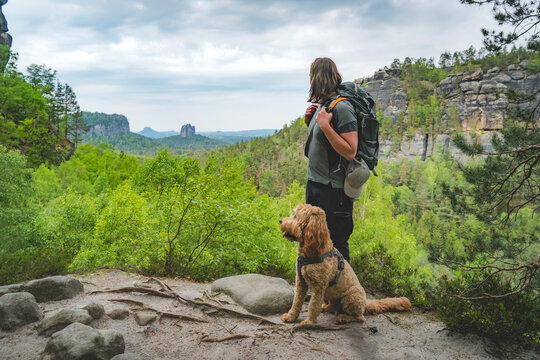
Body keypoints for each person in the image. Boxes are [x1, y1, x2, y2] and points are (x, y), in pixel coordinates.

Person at [304, 57, 358, 262]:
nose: (310, 80)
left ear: (318, 78)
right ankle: (318, 291)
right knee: (313, 240)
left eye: (311, 76)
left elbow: (351, 150)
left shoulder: (342, 108)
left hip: (333, 191)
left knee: (336, 244)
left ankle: (345, 293)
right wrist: (311, 122)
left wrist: (325, 126)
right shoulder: (322, 106)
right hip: (316, 185)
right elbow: (322, 145)